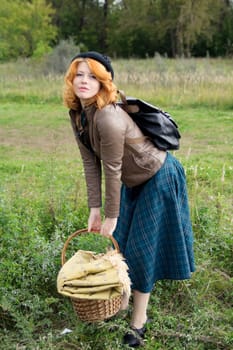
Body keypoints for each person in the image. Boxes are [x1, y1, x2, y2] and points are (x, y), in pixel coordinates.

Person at [63, 51, 195, 348]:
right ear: (71, 80)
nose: (84, 81)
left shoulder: (109, 116)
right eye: (79, 75)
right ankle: (120, 305)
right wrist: (95, 209)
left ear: (104, 81)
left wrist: (112, 216)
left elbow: (112, 168)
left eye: (93, 76)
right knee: (121, 244)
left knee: (140, 249)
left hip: (158, 176)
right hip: (133, 182)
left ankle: (138, 322)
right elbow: (89, 163)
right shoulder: (79, 114)